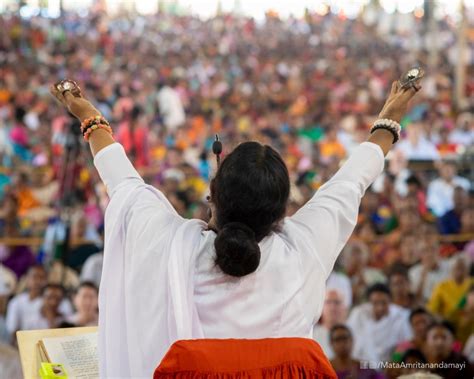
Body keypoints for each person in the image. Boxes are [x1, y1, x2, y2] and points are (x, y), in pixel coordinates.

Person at [50, 76, 420, 377]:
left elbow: (122, 181)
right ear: (281, 213)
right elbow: (352, 181)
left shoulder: (168, 244)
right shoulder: (305, 248)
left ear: (213, 194)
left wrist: (88, 114)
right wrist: (389, 117)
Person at [347, 283, 412, 363]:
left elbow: (406, 343)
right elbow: (350, 338)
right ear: (369, 302)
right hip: (361, 365)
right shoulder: (358, 314)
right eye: (375, 303)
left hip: (390, 365)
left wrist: (394, 362)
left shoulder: (401, 316)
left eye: (384, 303)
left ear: (390, 301)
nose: (380, 308)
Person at [409, 232, 451, 303]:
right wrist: (423, 276)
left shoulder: (449, 266)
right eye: (425, 250)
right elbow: (415, 300)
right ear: (419, 254)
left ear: (438, 250)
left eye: (432, 249)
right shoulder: (414, 272)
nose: (429, 254)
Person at [313, 289, 348, 360]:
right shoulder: (312, 336)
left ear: (345, 308)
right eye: (328, 302)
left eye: (337, 302)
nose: (332, 308)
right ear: (320, 308)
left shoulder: (356, 333)